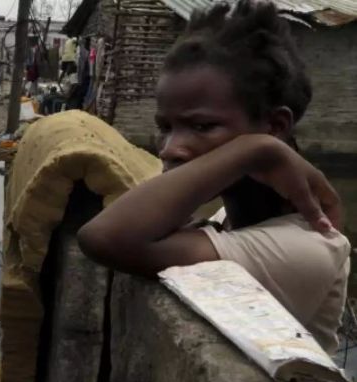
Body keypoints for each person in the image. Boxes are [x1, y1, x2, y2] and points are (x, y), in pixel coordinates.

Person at [77, 0, 350, 354]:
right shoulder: (228, 219)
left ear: (275, 126)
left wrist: (254, 150)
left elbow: (104, 239)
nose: (169, 149)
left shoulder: (306, 246)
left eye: (202, 126)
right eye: (166, 128)